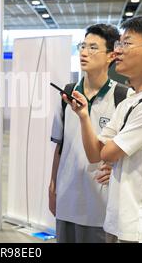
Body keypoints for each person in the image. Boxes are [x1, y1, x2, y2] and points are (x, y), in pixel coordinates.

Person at [65, 16, 142, 243]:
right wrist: (84, 116)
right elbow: (95, 155)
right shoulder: (132, 101)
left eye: (127, 44)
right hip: (121, 221)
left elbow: (107, 153)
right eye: (119, 44)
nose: (118, 51)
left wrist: (113, 159)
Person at [49, 24, 133, 243]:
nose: (84, 52)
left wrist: (116, 167)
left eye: (93, 47)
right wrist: (53, 184)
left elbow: (130, 150)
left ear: (111, 56)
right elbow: (60, 145)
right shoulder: (68, 93)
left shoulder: (123, 96)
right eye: (83, 46)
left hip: (101, 204)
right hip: (67, 199)